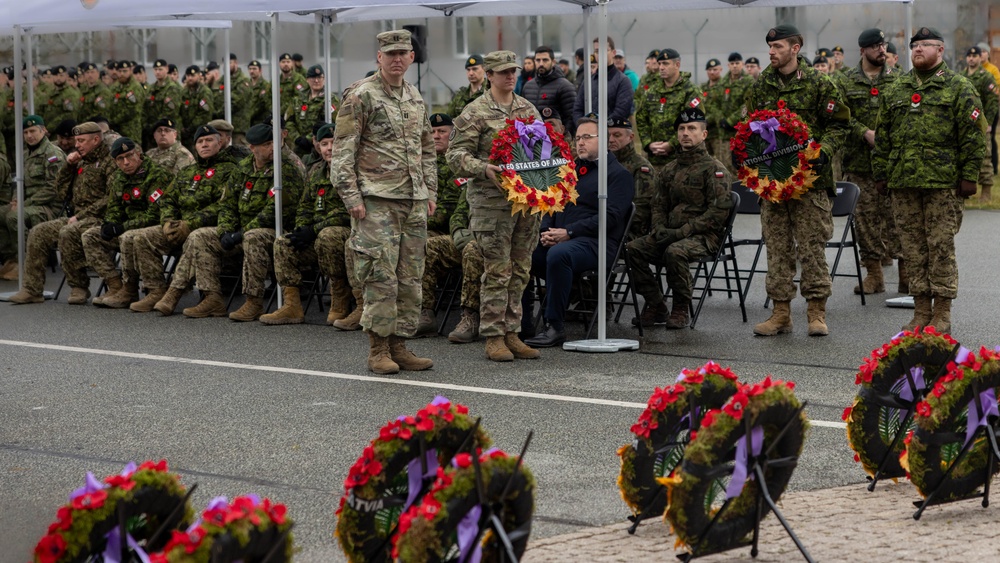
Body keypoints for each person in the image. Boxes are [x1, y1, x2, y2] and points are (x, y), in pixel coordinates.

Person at [332, 29, 436, 374]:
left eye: (402, 53)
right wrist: (351, 197)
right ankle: (378, 349)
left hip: (413, 199)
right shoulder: (362, 96)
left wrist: (429, 192)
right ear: (379, 57)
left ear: (411, 57)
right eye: (390, 53)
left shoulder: (414, 95)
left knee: (410, 276)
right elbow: (343, 153)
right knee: (379, 275)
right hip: (375, 200)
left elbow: (427, 150)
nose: (396, 59)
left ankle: (400, 344)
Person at [873, 27, 987, 333]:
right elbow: (883, 136)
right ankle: (921, 309)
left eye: (926, 44)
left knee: (940, 246)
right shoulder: (897, 89)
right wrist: (881, 173)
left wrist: (970, 175)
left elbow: (974, 137)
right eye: (915, 45)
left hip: (943, 183)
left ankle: (943, 311)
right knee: (912, 248)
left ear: (941, 49)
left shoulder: (959, 87)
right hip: (904, 182)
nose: (919, 49)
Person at [744, 24, 850, 337]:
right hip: (774, 180)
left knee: (811, 247)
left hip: (810, 180)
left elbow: (840, 125)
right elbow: (752, 126)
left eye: (777, 47)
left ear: (795, 47)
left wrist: (822, 150)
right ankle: (780, 313)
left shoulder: (819, 82)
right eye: (769, 47)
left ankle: (816, 313)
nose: (771, 52)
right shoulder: (763, 82)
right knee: (777, 247)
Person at [447, 50, 542, 362]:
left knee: (520, 269)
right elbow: (455, 155)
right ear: (488, 75)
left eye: (512, 71)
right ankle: (493, 335)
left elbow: (542, 147)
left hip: (525, 201)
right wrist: (482, 167)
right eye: (502, 72)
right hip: (492, 203)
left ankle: (512, 331)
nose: (509, 76)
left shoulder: (527, 108)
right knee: (497, 269)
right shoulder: (475, 111)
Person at [523, 115, 635, 347]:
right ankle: (522, 325)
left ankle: (554, 326)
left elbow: (611, 217)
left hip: (598, 243)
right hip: (564, 239)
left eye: (587, 137)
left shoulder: (618, 175)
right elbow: (550, 205)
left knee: (559, 255)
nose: (580, 143)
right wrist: (547, 231)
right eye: (577, 138)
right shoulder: (571, 171)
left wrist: (569, 232)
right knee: (523, 253)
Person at [627, 107, 732, 329]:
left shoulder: (715, 169)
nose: (685, 133)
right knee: (632, 248)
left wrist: (683, 231)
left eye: (692, 128)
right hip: (669, 232)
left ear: (703, 135)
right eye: (682, 128)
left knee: (675, 251)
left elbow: (718, 213)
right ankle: (656, 304)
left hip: (703, 236)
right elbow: (658, 204)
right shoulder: (669, 169)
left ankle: (681, 308)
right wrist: (658, 228)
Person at [117, 125, 239, 314]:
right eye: (200, 142)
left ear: (220, 143)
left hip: (208, 227)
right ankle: (156, 289)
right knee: (140, 237)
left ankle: (177, 294)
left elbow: (223, 205)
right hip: (177, 227)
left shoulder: (231, 170)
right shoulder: (187, 172)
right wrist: (168, 222)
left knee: (196, 237)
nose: (204, 145)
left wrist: (190, 224)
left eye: (209, 140)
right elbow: (168, 199)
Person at [8, 122, 116, 305]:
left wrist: (79, 217)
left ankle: (78, 286)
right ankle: (32, 289)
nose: (77, 145)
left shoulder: (110, 162)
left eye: (81, 141)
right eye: (76, 141)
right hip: (77, 216)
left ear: (96, 139)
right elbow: (60, 191)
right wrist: (68, 167)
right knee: (39, 232)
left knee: (68, 232)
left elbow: (110, 198)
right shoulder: (81, 161)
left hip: (100, 218)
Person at [260, 123, 354, 325]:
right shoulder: (316, 171)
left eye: (333, 143)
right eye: (324, 144)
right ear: (318, 147)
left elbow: (348, 211)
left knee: (329, 236)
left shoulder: (353, 170)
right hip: (317, 235)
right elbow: (305, 206)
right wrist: (302, 229)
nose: (329, 148)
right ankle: (292, 306)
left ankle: (339, 299)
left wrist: (313, 230)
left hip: (347, 233)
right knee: (283, 243)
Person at [833, 28, 902, 295]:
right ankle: (874, 274)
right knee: (865, 221)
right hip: (860, 164)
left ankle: (906, 273)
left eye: (883, 45)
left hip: (893, 164)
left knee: (898, 219)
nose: (881, 50)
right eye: (874, 46)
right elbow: (841, 116)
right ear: (862, 51)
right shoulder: (846, 81)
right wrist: (863, 131)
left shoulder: (899, 79)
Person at [81, 137, 172, 308]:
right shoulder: (119, 178)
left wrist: (121, 227)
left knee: (128, 236)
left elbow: (153, 215)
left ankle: (149, 289)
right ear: (115, 162)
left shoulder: (157, 175)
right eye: (120, 159)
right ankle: (116, 286)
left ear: (138, 154)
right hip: (127, 229)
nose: (126, 162)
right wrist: (110, 223)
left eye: (130, 156)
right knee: (90, 235)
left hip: (153, 228)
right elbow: (114, 206)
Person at [415, 113, 467, 336]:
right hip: (424, 224)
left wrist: (415, 221)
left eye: (442, 132)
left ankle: (424, 312)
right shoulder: (421, 163)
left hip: (446, 228)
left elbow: (447, 209)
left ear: (452, 134)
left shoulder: (457, 164)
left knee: (420, 243)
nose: (436, 136)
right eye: (432, 132)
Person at [0, 116, 65, 281]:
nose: (29, 135)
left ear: (43, 131)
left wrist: (24, 204)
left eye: (33, 131)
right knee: (2, 213)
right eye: (26, 132)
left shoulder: (52, 154)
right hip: (28, 204)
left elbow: (53, 188)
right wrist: (15, 200)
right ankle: (12, 259)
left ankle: (29, 264)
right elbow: (19, 183)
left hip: (50, 206)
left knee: (14, 217)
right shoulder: (25, 154)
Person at [635, 48, 702, 170]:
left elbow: (693, 122)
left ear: (677, 65)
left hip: (681, 158)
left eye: (665, 63)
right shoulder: (652, 91)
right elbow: (641, 119)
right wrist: (648, 143)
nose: (661, 67)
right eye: (659, 63)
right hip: (654, 158)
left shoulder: (690, 91)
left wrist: (671, 144)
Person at [607, 116, 656, 240]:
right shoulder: (602, 164)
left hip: (628, 231)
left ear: (631, 137)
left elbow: (641, 209)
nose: (611, 140)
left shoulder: (641, 168)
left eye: (617, 135)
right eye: (608, 135)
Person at [964, 46, 998, 201]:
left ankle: (986, 192)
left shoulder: (986, 77)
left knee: (985, 156)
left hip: (981, 124)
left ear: (980, 58)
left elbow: (993, 101)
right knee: (965, 156)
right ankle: (966, 190)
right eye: (969, 56)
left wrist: (989, 123)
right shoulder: (961, 76)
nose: (971, 59)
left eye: (975, 56)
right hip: (965, 125)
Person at [574, 36, 633, 124]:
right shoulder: (589, 81)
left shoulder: (623, 81)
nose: (600, 54)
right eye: (597, 51)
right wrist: (583, 127)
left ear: (613, 53)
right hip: (589, 134)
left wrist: (601, 128)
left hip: (612, 134)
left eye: (604, 50)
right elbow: (577, 109)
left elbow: (621, 112)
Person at [286, 64, 340, 158]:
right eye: (313, 77)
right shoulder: (298, 98)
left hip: (320, 149)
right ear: (307, 79)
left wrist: (309, 139)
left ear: (324, 79)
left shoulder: (330, 99)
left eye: (319, 77)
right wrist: (297, 138)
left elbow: (332, 123)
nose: (316, 80)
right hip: (299, 148)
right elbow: (289, 120)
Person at [521, 46, 577, 135]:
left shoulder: (565, 86)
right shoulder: (528, 86)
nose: (541, 63)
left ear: (553, 62)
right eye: (538, 60)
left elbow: (571, 117)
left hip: (556, 141)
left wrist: (563, 139)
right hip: (532, 141)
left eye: (545, 60)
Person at [714, 52, 754, 172]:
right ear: (728, 65)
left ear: (742, 64)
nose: (735, 66)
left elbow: (747, 103)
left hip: (739, 131)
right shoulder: (722, 83)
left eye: (737, 63)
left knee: (738, 166)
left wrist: (730, 120)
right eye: (732, 63)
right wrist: (720, 118)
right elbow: (714, 103)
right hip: (723, 132)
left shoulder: (748, 81)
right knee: (722, 164)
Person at [144, 59, 183, 150]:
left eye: (160, 69)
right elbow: (145, 109)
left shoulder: (172, 88)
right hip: (152, 133)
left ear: (166, 69)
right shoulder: (151, 88)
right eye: (156, 69)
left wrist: (155, 126)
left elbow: (170, 111)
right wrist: (146, 125)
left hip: (167, 130)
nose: (157, 72)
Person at [178, 66, 214, 148]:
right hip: (185, 135)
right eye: (188, 76)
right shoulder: (183, 92)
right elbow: (178, 112)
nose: (190, 78)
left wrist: (191, 128)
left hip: (200, 133)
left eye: (193, 76)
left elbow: (205, 114)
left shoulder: (204, 92)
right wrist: (181, 128)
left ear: (199, 76)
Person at [108, 60, 144, 143]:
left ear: (130, 71)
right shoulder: (115, 86)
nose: (122, 74)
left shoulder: (135, 87)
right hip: (116, 131)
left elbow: (132, 110)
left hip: (131, 131)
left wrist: (114, 121)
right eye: (119, 71)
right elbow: (110, 106)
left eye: (125, 71)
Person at [448, 54, 487, 119]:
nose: (471, 73)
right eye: (468, 70)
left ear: (484, 69)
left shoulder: (490, 92)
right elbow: (449, 118)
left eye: (475, 69)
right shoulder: (460, 95)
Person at [43, 66, 80, 131]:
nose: (58, 78)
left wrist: (50, 128)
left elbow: (69, 115)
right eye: (56, 75)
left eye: (61, 76)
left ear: (66, 76)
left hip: (61, 130)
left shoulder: (70, 93)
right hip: (46, 130)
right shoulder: (49, 92)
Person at [247, 60, 273, 127]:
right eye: (250, 69)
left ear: (260, 70)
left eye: (254, 69)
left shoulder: (265, 85)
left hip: (260, 122)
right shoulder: (247, 84)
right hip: (248, 122)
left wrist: (249, 115)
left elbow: (262, 104)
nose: (252, 71)